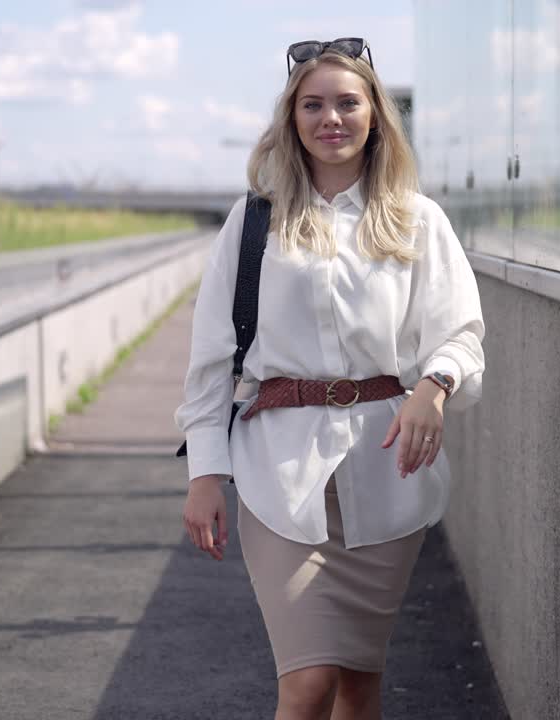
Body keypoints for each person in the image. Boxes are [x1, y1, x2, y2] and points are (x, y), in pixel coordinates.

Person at [174, 38, 485, 720]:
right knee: (308, 682)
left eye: (348, 102)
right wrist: (206, 473)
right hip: (277, 471)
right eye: (313, 105)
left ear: (376, 114)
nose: (331, 118)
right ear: (292, 119)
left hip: (386, 472)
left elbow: (459, 332)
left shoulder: (417, 219)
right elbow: (209, 358)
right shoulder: (255, 219)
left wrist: (434, 388)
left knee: (359, 681)